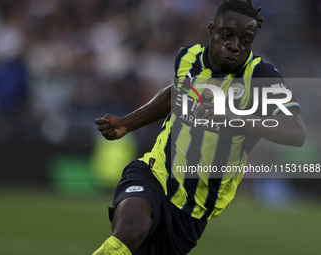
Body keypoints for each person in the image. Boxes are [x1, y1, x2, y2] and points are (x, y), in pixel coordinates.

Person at [93, 0, 306, 254]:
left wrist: (232, 115)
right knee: (128, 231)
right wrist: (128, 123)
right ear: (211, 30)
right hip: (156, 172)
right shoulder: (188, 57)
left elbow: (296, 132)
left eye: (245, 40)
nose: (235, 46)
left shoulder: (261, 77)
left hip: (195, 206)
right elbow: (177, 93)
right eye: (227, 35)